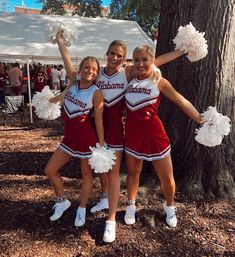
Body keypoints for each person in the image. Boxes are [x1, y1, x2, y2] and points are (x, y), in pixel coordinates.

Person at [56, 31, 184, 242]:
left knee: (113, 174)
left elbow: (154, 61)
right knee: (94, 171)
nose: (116, 58)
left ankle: (111, 221)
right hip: (91, 130)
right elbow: (71, 71)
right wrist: (61, 42)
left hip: (115, 132)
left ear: (125, 60)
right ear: (107, 53)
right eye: (113, 54)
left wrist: (181, 50)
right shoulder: (96, 74)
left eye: (120, 56)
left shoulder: (126, 73)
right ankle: (103, 198)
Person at [124, 45, 203, 228]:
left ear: (151, 61)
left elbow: (181, 101)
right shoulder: (128, 75)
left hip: (155, 134)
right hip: (133, 134)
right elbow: (153, 61)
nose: (141, 63)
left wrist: (200, 119)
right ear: (132, 61)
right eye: (137, 60)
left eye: (145, 60)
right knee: (133, 172)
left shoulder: (159, 81)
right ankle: (130, 204)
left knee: (167, 178)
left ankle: (169, 206)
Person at [44, 48, 105, 227]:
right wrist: (60, 40)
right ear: (81, 69)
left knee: (86, 175)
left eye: (94, 69)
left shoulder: (96, 92)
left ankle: (82, 209)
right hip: (69, 139)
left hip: (87, 140)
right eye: (86, 67)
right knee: (50, 170)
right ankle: (62, 201)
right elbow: (66, 57)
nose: (90, 71)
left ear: (97, 73)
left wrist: (101, 146)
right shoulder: (73, 83)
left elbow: (99, 121)